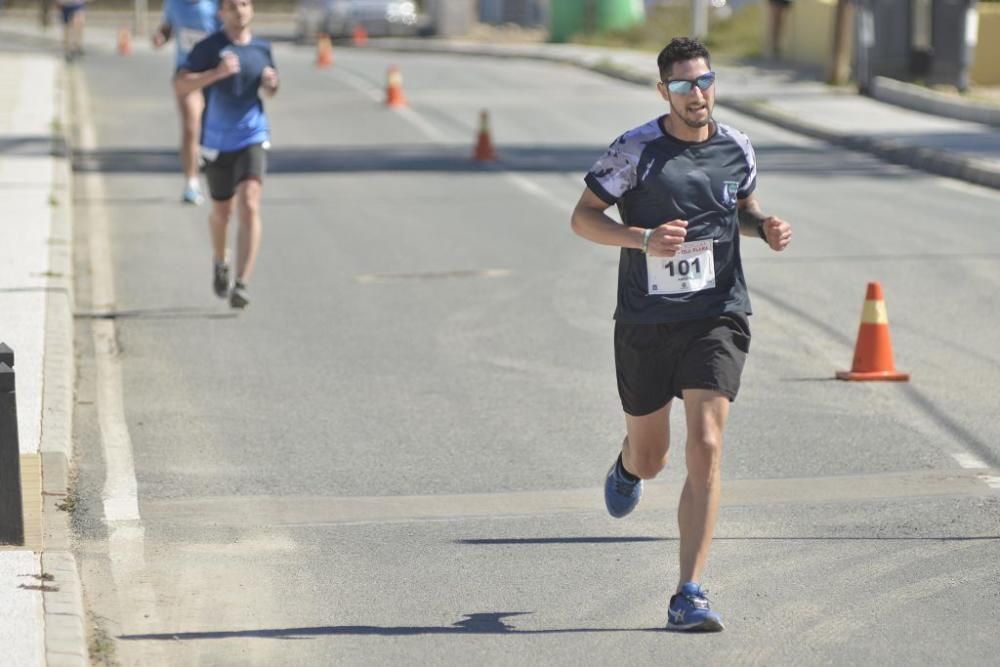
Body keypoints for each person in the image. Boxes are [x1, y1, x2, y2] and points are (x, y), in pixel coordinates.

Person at [570, 37, 792, 632]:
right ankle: (626, 466)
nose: (698, 94)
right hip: (646, 320)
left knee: (708, 444)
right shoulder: (636, 150)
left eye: (706, 81)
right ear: (663, 90)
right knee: (653, 458)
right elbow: (583, 218)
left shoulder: (737, 147)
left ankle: (688, 591)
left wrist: (763, 226)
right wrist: (642, 239)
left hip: (717, 314)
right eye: (685, 85)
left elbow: (738, 209)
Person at [174, 0, 278, 309]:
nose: (240, 10)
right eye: (232, 6)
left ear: (253, 10)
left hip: (253, 135)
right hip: (216, 141)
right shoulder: (209, 47)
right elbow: (181, 84)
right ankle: (221, 261)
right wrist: (215, 74)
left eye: (245, 4)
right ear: (221, 14)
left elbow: (271, 88)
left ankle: (242, 283)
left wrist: (272, 85)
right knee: (223, 213)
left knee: (249, 203)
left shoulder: (262, 49)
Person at [152, 0, 220, 205]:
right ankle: (191, 183)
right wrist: (161, 37)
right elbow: (168, 27)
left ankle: (204, 152)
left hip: (215, 74)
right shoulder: (173, 3)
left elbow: (229, 30)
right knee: (191, 126)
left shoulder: (215, 4)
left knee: (211, 128)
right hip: (187, 73)